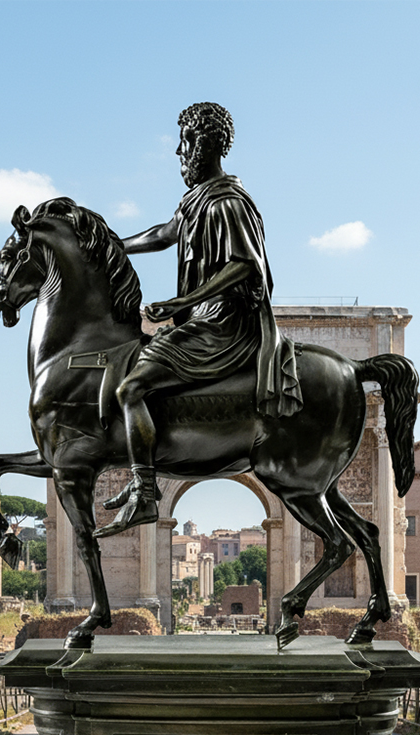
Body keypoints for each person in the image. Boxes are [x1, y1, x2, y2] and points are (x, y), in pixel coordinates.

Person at [95, 102, 302, 539]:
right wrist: (112, 246)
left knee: (131, 387)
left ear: (208, 143)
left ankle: (144, 489)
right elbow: (163, 233)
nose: (179, 152)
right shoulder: (197, 200)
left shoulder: (228, 202)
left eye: (186, 141)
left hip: (225, 325)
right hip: (204, 320)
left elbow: (245, 266)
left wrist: (181, 301)